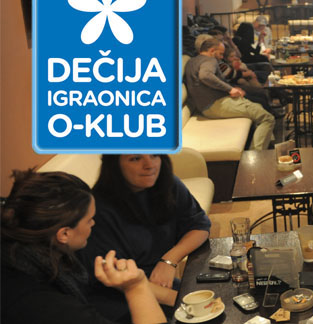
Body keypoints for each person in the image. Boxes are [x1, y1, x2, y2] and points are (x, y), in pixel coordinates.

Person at [1, 169, 165, 324]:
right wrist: (136, 286)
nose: (93, 223)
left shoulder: (22, 246)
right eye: (89, 219)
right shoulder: (40, 303)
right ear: (64, 234)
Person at [77, 155, 211, 321]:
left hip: (155, 281)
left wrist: (169, 260)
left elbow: (199, 226)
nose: (149, 165)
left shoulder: (167, 184)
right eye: (135, 159)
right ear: (114, 164)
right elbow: (118, 279)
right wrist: (184, 302)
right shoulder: (98, 211)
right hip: (118, 295)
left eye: (154, 155)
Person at [184, 38, 275, 150]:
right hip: (215, 105)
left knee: (259, 106)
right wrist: (230, 89)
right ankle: (256, 154)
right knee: (267, 118)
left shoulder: (192, 61)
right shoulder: (210, 60)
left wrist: (231, 89)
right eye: (220, 54)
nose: (222, 57)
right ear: (212, 51)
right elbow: (205, 76)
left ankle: (268, 145)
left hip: (207, 106)